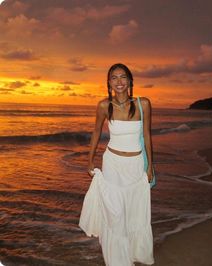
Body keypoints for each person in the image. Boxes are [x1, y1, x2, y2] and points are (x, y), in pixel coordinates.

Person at [78, 63, 155, 266]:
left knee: (133, 210)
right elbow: (96, 132)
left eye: (123, 77)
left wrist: (150, 166)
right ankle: (116, 260)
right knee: (115, 212)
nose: (119, 81)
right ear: (109, 82)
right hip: (112, 163)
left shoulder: (143, 104)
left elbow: (147, 135)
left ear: (130, 81)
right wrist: (90, 159)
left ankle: (131, 252)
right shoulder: (104, 106)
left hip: (135, 164)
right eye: (114, 77)